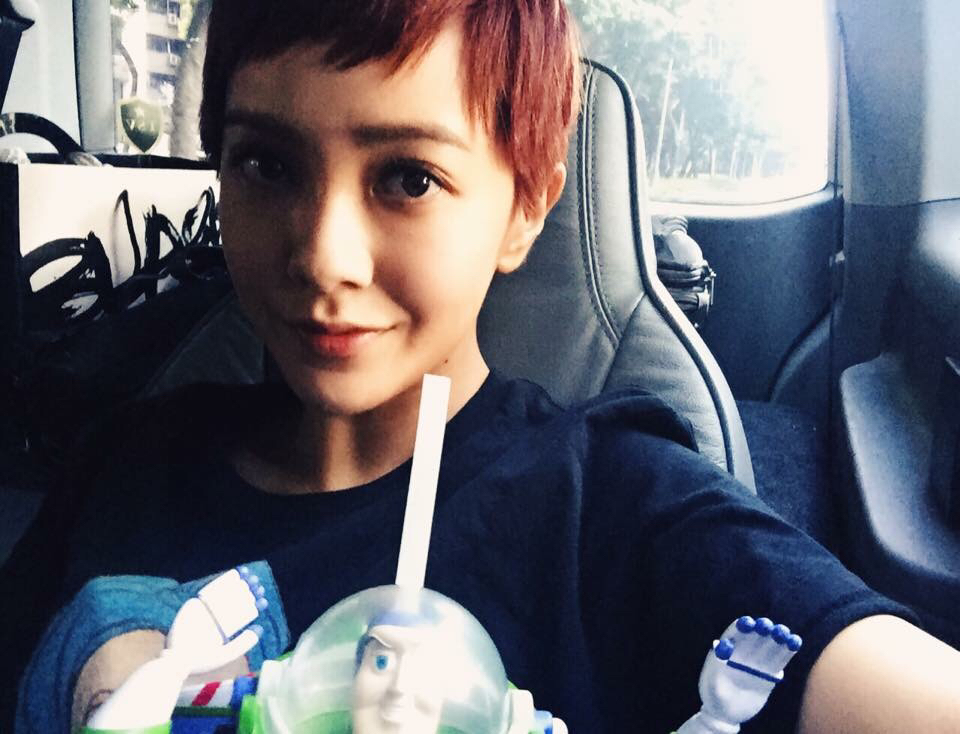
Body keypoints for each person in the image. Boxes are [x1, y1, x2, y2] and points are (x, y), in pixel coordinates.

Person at [3, 0, 960, 732]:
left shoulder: (615, 507)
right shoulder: (125, 466)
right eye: (267, 164)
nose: (324, 256)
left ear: (524, 209)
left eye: (408, 177)